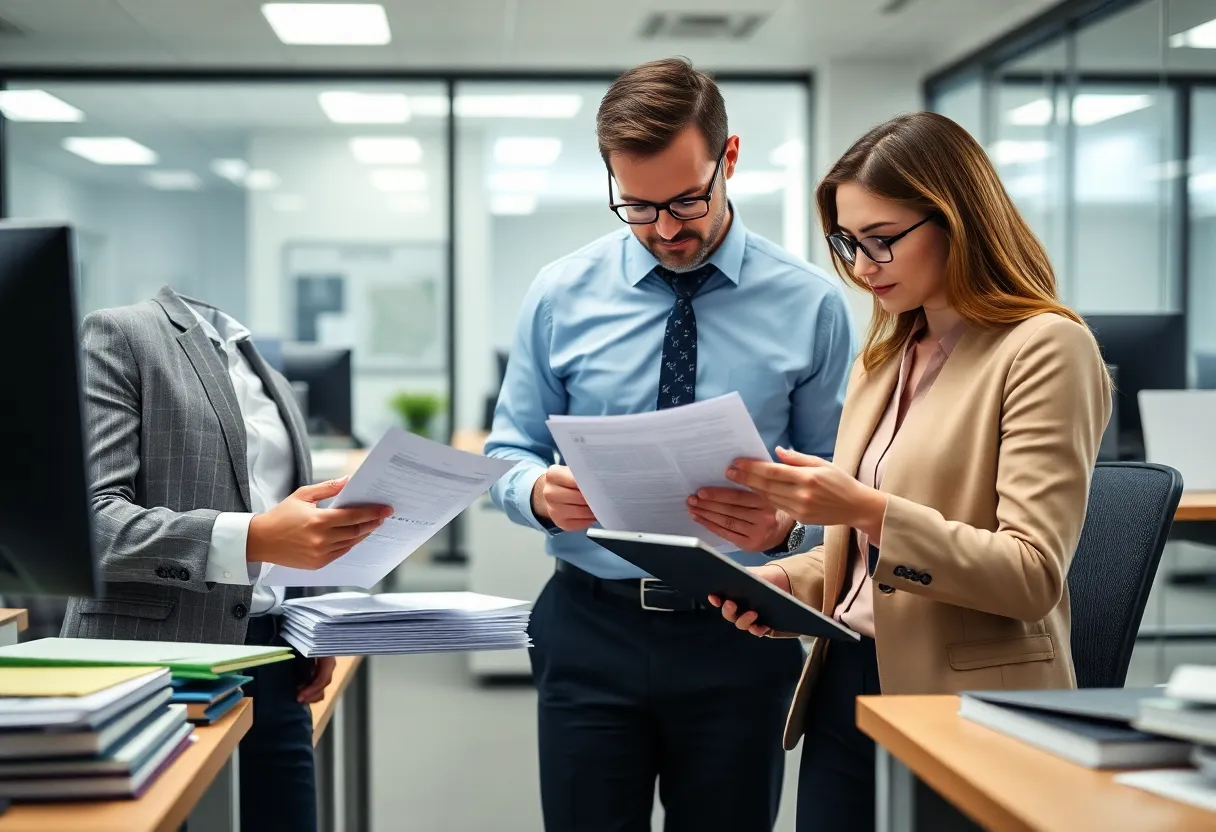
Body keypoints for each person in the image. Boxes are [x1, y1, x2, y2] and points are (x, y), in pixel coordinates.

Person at [713, 111, 1112, 831]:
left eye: (882, 241)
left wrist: (864, 508)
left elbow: (1028, 576)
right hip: (845, 680)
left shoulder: (1045, 348)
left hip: (970, 705)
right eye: (847, 243)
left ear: (956, 221)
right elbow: (869, 563)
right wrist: (789, 582)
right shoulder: (888, 353)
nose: (863, 268)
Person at [485, 58, 856, 831]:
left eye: (687, 199)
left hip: (743, 631)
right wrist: (537, 495)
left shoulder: (810, 303)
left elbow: (843, 487)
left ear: (729, 159)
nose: (665, 229)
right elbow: (505, 451)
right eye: (638, 206)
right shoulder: (560, 293)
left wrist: (790, 527)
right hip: (589, 627)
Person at [61, 286, 392, 832]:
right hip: (155, 663)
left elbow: (286, 512)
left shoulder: (269, 375)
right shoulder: (123, 335)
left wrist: (311, 624)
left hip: (276, 660)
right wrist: (250, 539)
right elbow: (91, 522)